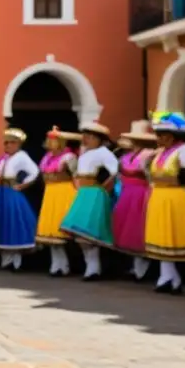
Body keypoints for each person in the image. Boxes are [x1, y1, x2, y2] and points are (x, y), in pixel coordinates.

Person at [144, 112, 185, 295]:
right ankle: (169, 277)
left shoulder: (184, 150)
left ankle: (170, 278)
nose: (159, 138)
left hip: (174, 197)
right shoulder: (160, 153)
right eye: (158, 134)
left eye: (162, 134)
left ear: (172, 136)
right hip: (159, 196)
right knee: (161, 235)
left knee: (171, 234)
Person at [60, 120, 118, 281]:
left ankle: (93, 268)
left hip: (94, 193)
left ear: (99, 139)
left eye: (91, 137)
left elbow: (115, 171)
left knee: (88, 232)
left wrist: (105, 187)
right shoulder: (84, 153)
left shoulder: (104, 153)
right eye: (85, 136)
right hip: (83, 193)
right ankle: (91, 266)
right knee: (80, 234)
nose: (86, 139)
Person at [110, 121, 157, 281]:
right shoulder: (125, 157)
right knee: (127, 226)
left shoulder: (150, 155)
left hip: (141, 194)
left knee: (139, 227)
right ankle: (136, 266)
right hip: (126, 193)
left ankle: (142, 268)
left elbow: (152, 178)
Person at [0, 128, 40, 271]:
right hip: (2, 193)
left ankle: (17, 261)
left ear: (18, 144)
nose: (8, 145)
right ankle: (6, 260)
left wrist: (23, 185)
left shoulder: (22, 156)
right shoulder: (5, 158)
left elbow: (34, 171)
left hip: (12, 192)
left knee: (14, 222)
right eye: (6, 142)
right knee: (3, 223)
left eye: (11, 143)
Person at [35, 127, 80, 276]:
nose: (50, 143)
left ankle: (65, 265)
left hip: (64, 192)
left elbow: (75, 176)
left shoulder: (69, 157)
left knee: (61, 231)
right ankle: (56, 265)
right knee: (51, 234)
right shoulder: (47, 157)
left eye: (53, 140)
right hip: (51, 192)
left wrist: (79, 195)